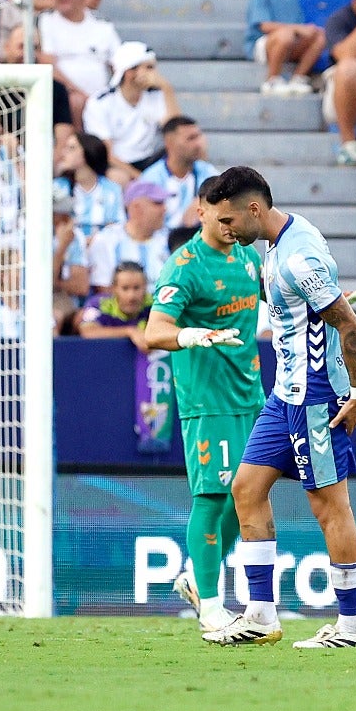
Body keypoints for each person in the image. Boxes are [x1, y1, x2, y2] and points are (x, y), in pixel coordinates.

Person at [200, 167, 356, 649]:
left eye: (229, 220)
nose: (225, 230)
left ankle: (353, 625)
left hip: (316, 396)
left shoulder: (299, 257)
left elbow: (352, 328)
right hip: (285, 395)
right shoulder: (277, 244)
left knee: (329, 506)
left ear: (254, 209)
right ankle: (260, 615)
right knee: (246, 488)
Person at [138, 182, 267, 635]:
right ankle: (211, 607)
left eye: (235, 217)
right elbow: (154, 331)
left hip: (250, 393)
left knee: (248, 495)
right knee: (213, 497)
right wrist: (189, 335)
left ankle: (196, 577)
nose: (231, 226)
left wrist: (329, 304)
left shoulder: (248, 256)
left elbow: (276, 298)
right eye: (222, 218)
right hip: (207, 400)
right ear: (201, 212)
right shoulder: (185, 266)